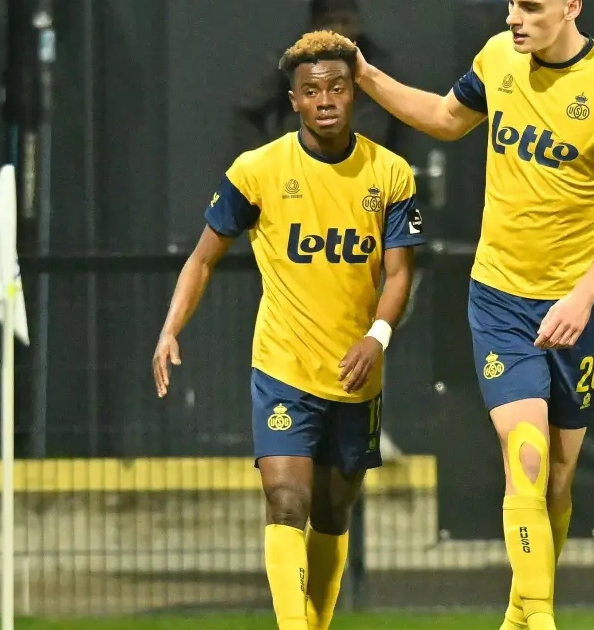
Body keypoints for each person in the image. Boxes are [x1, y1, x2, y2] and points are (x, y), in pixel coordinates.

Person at [353, 2, 594, 628]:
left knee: (558, 479)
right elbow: (445, 118)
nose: (515, 16)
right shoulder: (498, 57)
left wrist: (592, 292)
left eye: (532, 5)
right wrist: (366, 76)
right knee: (527, 454)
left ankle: (521, 613)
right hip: (501, 298)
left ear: (571, 6)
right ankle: (541, 618)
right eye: (512, 3)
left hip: (578, 305)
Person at [152, 31, 425, 630]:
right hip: (283, 368)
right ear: (294, 100)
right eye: (311, 90)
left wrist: (376, 336)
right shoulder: (257, 171)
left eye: (336, 87)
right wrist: (171, 328)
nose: (325, 100)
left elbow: (400, 273)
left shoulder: (391, 174)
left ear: (354, 94)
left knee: (332, 515)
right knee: (285, 501)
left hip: (355, 374)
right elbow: (202, 258)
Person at [233, 0, 405, 154]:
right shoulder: (293, 61)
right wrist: (262, 164)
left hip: (365, 167)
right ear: (315, 26)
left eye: (345, 21)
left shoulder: (377, 63)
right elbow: (247, 110)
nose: (339, 31)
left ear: (357, 24)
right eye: (330, 22)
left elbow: (401, 116)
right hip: (303, 167)